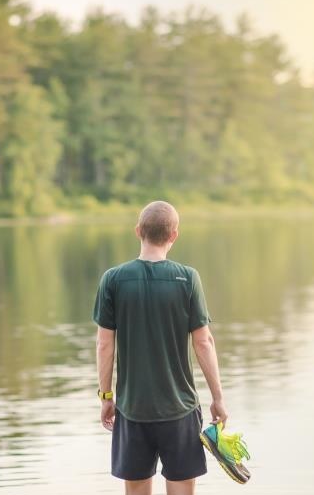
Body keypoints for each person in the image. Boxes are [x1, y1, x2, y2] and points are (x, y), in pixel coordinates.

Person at [94, 201, 227, 495]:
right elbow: (204, 342)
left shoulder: (113, 280)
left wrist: (106, 396)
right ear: (174, 235)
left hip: (132, 410)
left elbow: (104, 345)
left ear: (138, 231)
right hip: (180, 411)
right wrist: (217, 397)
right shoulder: (188, 278)